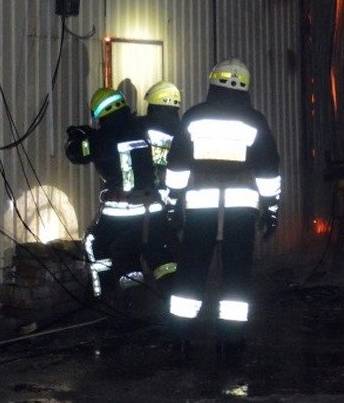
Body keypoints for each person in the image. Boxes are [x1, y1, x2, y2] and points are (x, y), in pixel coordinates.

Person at [164, 58, 281, 356]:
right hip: (241, 208)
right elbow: (268, 169)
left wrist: (173, 204)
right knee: (237, 271)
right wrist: (271, 208)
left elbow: (176, 166)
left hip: (199, 206)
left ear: (212, 81)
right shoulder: (254, 120)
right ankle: (230, 340)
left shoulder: (194, 117)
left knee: (191, 268)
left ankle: (179, 336)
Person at [65, 87, 177, 302]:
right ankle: (171, 297)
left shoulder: (100, 138)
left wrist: (77, 136)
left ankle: (103, 297)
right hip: (154, 208)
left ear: (99, 113)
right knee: (160, 256)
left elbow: (75, 154)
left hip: (121, 211)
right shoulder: (146, 128)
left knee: (94, 244)